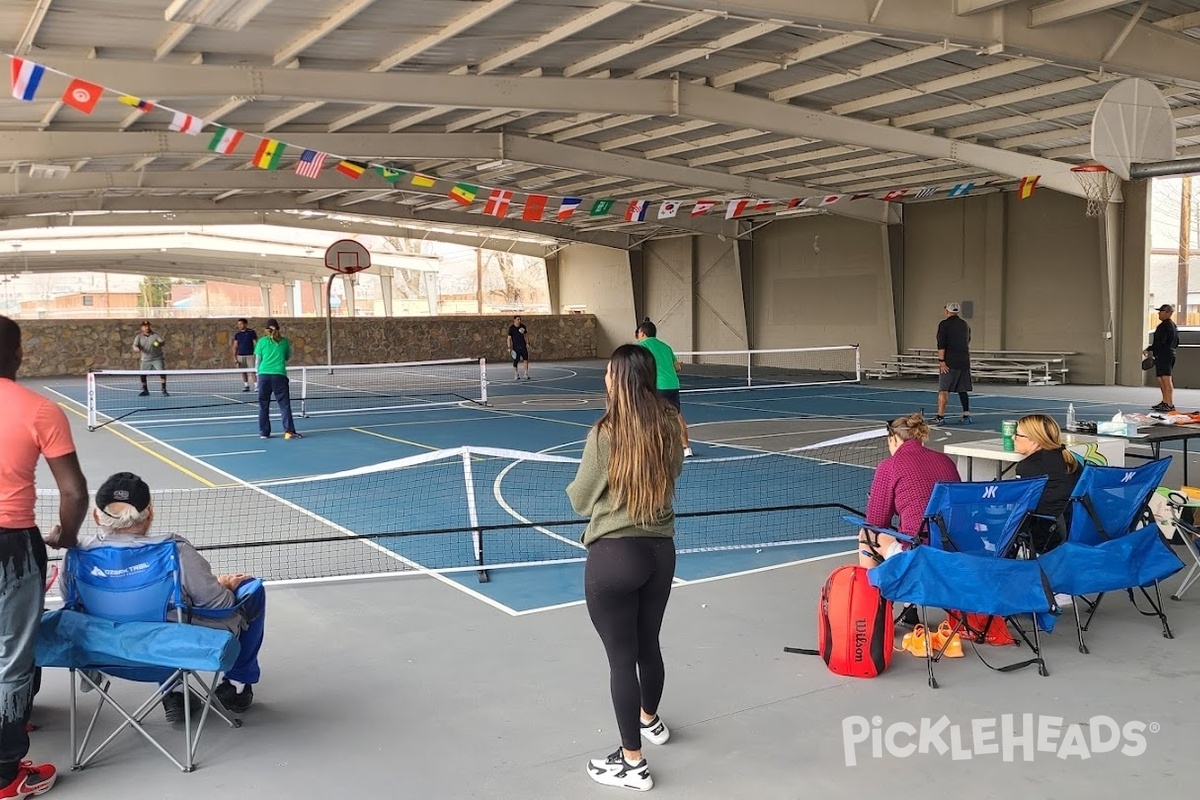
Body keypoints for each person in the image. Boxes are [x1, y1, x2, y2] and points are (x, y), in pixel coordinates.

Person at [566, 345, 684, 792]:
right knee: (648, 642)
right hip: (660, 553)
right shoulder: (671, 427)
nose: (605, 380)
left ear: (618, 380)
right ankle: (649, 720)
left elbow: (581, 498)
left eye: (609, 374)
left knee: (621, 661)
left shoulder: (605, 433)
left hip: (615, 555)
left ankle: (632, 764)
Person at [78, 472, 264, 719]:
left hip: (104, 653)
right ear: (150, 514)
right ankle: (238, 686)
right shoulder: (174, 552)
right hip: (168, 649)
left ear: (95, 517)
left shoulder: (77, 555)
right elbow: (220, 604)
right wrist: (227, 585)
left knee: (150, 616)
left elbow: (76, 606)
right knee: (252, 590)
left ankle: (174, 692)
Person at [0, 315, 89, 798]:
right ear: (18, 354)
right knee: (12, 657)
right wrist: (67, 536)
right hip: (11, 545)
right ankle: (5, 774)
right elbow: (74, 492)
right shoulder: (39, 409)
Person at [859, 412, 960, 569]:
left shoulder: (889, 466)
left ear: (892, 439)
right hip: (954, 545)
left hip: (918, 550)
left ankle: (872, 591)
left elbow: (876, 523)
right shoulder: (945, 460)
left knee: (866, 535)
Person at [1013, 414, 1081, 555]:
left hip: (1047, 536)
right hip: (1075, 529)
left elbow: (1020, 507)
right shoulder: (1071, 459)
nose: (1014, 438)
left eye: (1018, 435)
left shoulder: (1028, 466)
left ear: (1034, 440)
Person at [635, 318, 693, 458]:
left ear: (642, 333)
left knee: (653, 417)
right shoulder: (666, 347)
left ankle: (655, 448)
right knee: (677, 416)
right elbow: (677, 367)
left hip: (657, 387)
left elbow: (638, 367)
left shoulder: (642, 346)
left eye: (637, 333)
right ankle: (686, 448)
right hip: (672, 385)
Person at [254, 318, 301, 440]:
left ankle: (264, 433)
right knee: (284, 405)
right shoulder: (284, 342)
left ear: (266, 330)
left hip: (264, 376)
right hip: (279, 376)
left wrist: (258, 376)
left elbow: (257, 361)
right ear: (278, 329)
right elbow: (286, 357)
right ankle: (289, 431)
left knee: (263, 405)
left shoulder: (261, 342)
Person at [934, 302, 971, 425]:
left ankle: (940, 416)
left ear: (947, 311)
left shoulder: (944, 325)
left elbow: (941, 344)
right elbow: (968, 340)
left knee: (943, 390)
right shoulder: (965, 325)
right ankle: (966, 415)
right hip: (964, 361)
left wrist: (941, 361)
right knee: (963, 389)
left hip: (950, 362)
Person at [1145, 303, 1179, 412]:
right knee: (1160, 379)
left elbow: (1160, 342)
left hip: (1165, 355)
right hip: (1165, 354)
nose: (1159, 313)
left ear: (1168, 313)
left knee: (1166, 379)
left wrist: (1149, 349)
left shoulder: (1165, 326)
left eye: (1161, 311)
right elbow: (1177, 342)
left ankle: (1170, 403)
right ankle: (1165, 401)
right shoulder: (1173, 325)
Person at [132, 320, 168, 397]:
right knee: (142, 374)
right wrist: (136, 349)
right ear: (142, 328)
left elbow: (162, 342)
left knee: (162, 373)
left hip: (157, 358)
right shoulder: (139, 337)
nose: (147, 327)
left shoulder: (155, 335)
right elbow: (135, 346)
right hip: (145, 360)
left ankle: (164, 389)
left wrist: (159, 343)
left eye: (148, 326)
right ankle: (145, 390)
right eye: (145, 326)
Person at [231, 318, 258, 393]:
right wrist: (234, 357)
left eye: (241, 324)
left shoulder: (251, 332)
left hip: (250, 355)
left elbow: (255, 343)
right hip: (241, 356)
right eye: (238, 324)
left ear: (245, 324)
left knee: (253, 371)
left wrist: (257, 354)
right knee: (243, 371)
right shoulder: (237, 334)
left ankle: (256, 386)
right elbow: (235, 346)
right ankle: (246, 385)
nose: (239, 325)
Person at [507, 316, 530, 380]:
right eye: (518, 319)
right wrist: (509, 347)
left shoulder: (523, 327)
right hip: (516, 347)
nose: (519, 320)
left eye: (520, 319)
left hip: (523, 346)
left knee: (525, 359)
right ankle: (516, 374)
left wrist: (527, 343)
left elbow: (526, 336)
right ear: (514, 320)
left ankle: (526, 374)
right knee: (516, 361)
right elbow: (509, 338)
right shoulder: (511, 328)